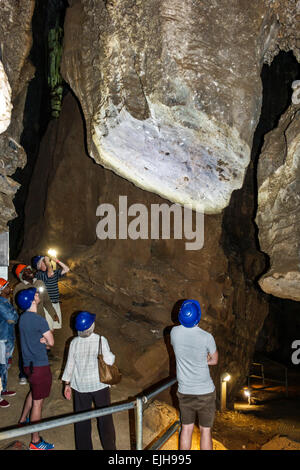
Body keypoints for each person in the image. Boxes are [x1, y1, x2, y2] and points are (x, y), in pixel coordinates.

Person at [62, 311, 116, 450]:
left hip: (80, 387)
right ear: (92, 326)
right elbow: (109, 360)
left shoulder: (74, 342)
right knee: (105, 418)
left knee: (81, 420)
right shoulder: (100, 340)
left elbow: (70, 365)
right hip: (99, 385)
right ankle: (110, 448)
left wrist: (67, 384)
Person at [170, 299, 218, 450]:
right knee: (205, 431)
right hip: (205, 392)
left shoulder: (174, 332)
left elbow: (184, 351)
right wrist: (203, 360)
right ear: (198, 316)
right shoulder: (206, 337)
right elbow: (214, 360)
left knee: (186, 429)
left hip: (185, 392)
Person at [16, 287, 55, 450]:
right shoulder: (39, 320)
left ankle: (23, 420)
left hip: (28, 366)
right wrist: (45, 342)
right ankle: (36, 441)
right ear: (32, 301)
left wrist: (41, 341)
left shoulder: (22, 318)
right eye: (36, 295)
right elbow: (51, 343)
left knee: (34, 392)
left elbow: (31, 339)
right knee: (38, 403)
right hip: (39, 366)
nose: (38, 295)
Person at [32, 255, 69, 331]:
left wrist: (57, 261)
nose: (46, 263)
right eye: (44, 262)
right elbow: (50, 274)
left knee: (53, 328)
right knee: (48, 329)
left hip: (56, 303)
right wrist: (48, 263)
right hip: (47, 305)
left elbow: (66, 269)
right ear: (39, 265)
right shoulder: (39, 275)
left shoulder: (53, 272)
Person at [0, 279, 18, 408]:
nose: (9, 287)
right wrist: (15, 315)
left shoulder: (6, 301)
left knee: (5, 365)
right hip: (2, 339)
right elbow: (12, 319)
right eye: (6, 286)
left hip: (8, 337)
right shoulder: (1, 303)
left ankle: (3, 389)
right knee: (1, 366)